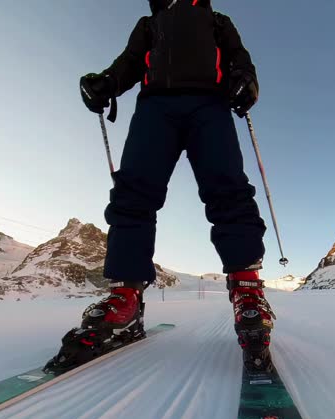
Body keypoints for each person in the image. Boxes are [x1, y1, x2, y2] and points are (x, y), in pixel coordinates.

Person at [78, 0, 275, 371]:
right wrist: (108, 82)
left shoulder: (216, 21)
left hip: (210, 104)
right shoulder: (150, 24)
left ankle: (247, 288)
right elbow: (130, 63)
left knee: (227, 186)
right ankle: (126, 295)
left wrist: (245, 78)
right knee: (133, 191)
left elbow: (239, 57)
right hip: (156, 107)